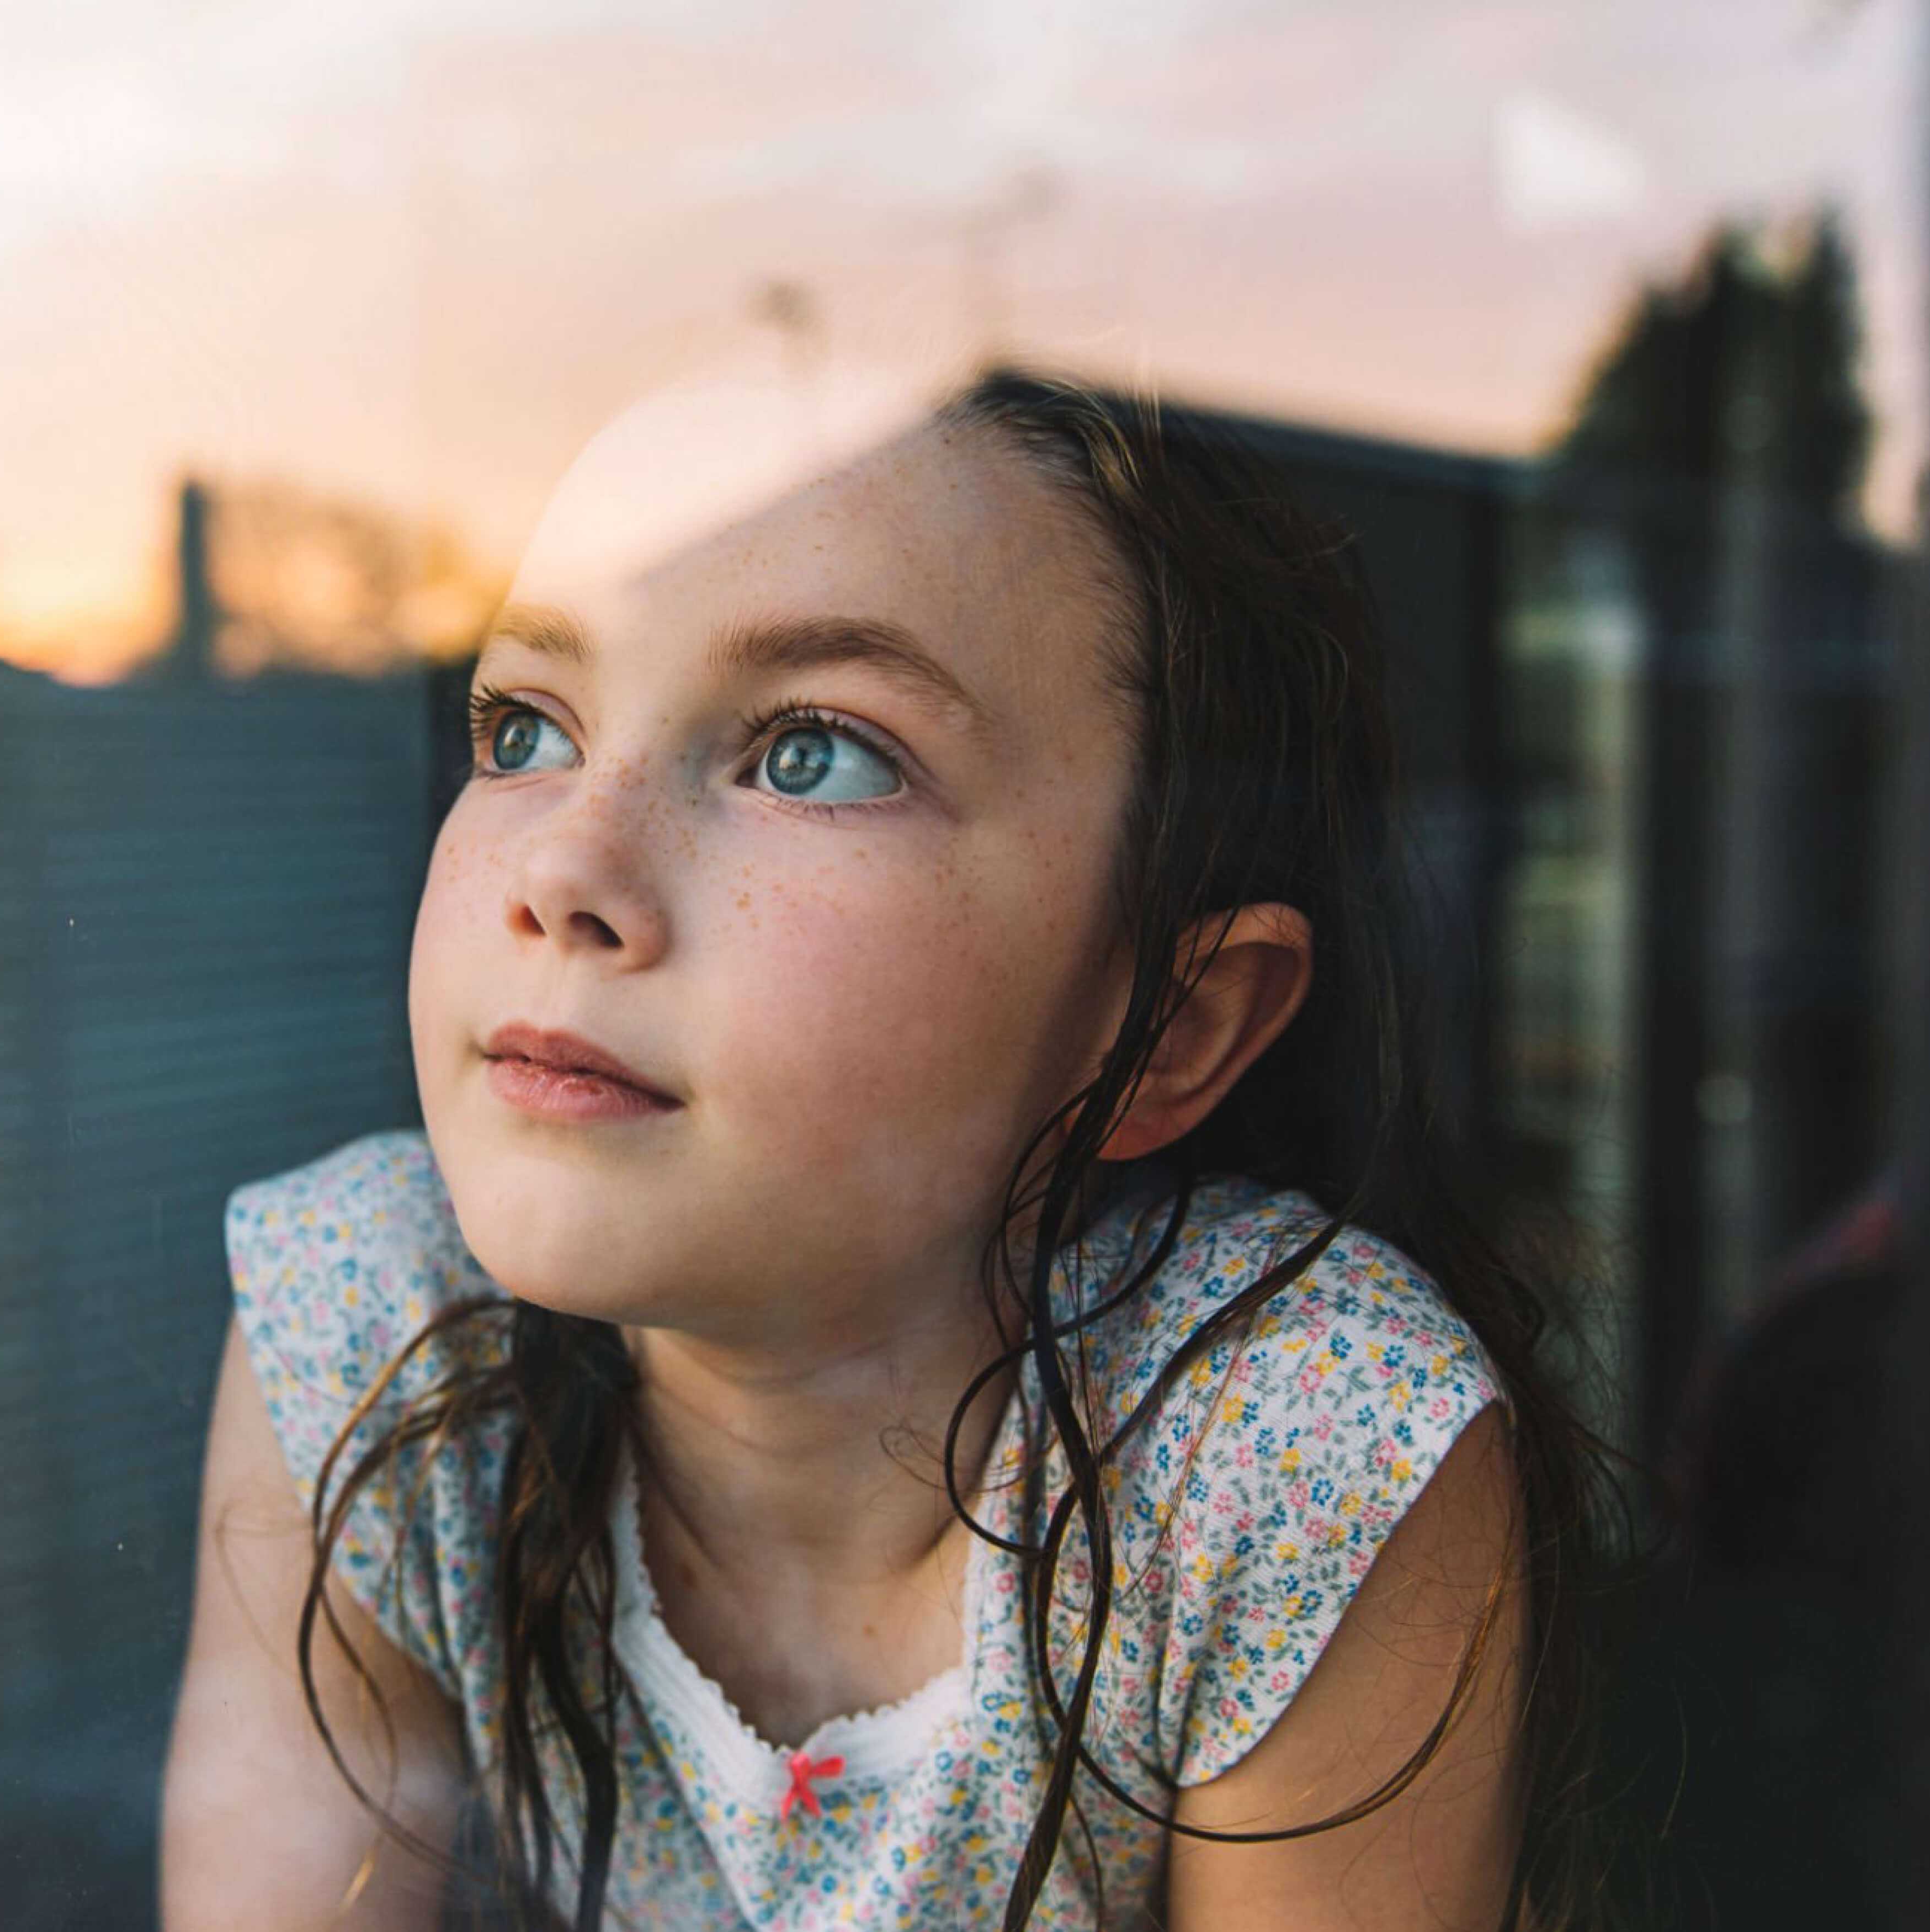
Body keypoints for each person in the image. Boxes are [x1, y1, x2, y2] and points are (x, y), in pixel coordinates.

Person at [161, 371, 1603, 1930]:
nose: (566, 864)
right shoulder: (378, 1328)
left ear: (1170, 1024)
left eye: (815, 755)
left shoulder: (1291, 1442)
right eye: (526, 725)